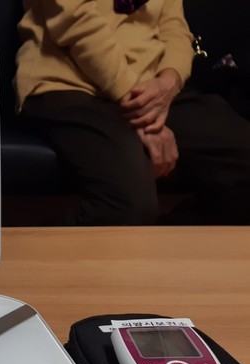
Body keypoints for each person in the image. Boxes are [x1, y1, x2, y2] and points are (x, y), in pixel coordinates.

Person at [14, 0, 250, 225]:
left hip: (152, 89)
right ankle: (27, 247)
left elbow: (175, 28)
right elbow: (74, 21)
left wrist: (170, 80)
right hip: (69, 85)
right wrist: (138, 104)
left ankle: (166, 243)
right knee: (129, 205)